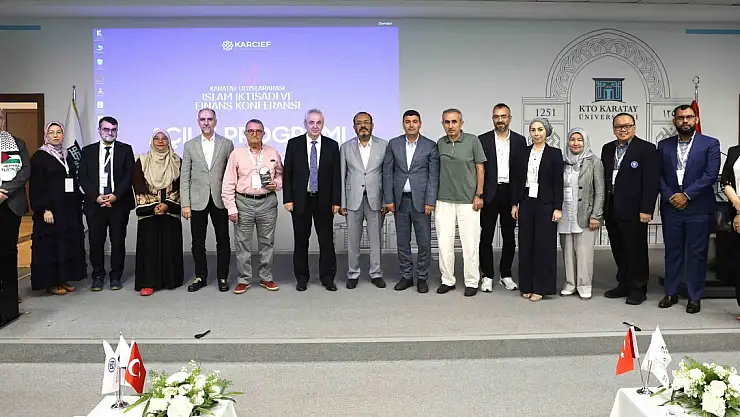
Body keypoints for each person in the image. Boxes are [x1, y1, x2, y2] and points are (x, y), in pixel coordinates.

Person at [657, 104, 720, 314]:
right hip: (671, 207)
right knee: (672, 252)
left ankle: (694, 296)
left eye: (689, 117)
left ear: (696, 119)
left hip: (698, 207)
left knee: (697, 253)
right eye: (680, 117)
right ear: (674, 121)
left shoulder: (710, 144)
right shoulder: (663, 145)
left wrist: (687, 195)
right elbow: (658, 175)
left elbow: (710, 174)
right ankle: (671, 292)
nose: (685, 121)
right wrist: (671, 195)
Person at [601, 113, 659, 305]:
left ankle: (638, 288)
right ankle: (624, 283)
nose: (623, 129)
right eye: (619, 126)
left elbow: (651, 182)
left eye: (627, 126)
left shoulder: (647, 149)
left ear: (634, 127)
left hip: (635, 210)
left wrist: (646, 209)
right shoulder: (608, 149)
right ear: (613, 129)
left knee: (636, 250)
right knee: (618, 248)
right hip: (612, 207)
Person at [221, 119, 282, 294]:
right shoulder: (237, 154)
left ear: (263, 133)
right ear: (245, 134)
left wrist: (276, 184)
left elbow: (281, 175)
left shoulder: (272, 152)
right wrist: (231, 208)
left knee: (267, 242)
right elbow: (228, 182)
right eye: (251, 131)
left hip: (267, 202)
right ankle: (244, 279)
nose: (254, 134)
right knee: (243, 243)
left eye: (258, 131)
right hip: (244, 202)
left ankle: (266, 277)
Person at [283, 109, 341, 291]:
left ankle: (327, 278)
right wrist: (288, 198)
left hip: (324, 201)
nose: (315, 126)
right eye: (311, 122)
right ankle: (302, 278)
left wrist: (336, 201)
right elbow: (287, 174)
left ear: (323, 124)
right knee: (301, 240)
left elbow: (336, 176)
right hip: (301, 200)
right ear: (305, 124)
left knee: (326, 241)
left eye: (318, 122)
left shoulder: (332, 145)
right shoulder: (294, 144)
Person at [383, 110, 439, 294]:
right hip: (400, 201)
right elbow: (387, 173)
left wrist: (430, 200)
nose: (411, 125)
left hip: (422, 202)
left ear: (420, 124)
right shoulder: (394, 144)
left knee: (424, 242)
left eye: (415, 121)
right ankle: (406, 276)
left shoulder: (430, 145)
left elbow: (433, 176)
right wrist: (389, 199)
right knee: (402, 242)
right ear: (403, 124)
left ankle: (422, 277)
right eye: (408, 121)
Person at [28, 122, 87, 295]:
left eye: (59, 132)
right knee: (50, 247)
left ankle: (63, 279)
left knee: (65, 245)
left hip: (67, 210)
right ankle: (51, 283)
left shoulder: (67, 155)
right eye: (51, 132)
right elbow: (36, 186)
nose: (55, 135)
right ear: (46, 135)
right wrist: (44, 209)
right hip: (50, 212)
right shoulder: (39, 157)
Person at [79, 116, 135, 291]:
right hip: (95, 204)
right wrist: (96, 196)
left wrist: (115, 196)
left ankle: (116, 276)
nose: (110, 133)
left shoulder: (126, 150)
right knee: (96, 241)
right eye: (106, 129)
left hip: (119, 204)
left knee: (117, 241)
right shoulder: (88, 151)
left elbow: (130, 176)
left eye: (113, 130)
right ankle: (98, 275)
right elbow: (83, 177)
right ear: (99, 130)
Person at [181, 108, 235, 293]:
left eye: (209, 119)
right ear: (198, 122)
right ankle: (200, 276)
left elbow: (231, 174)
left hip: (220, 199)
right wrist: (185, 204)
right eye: (202, 119)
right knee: (198, 242)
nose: (206, 122)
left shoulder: (226, 144)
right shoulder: (190, 145)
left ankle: (222, 277)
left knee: (223, 240)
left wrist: (232, 201)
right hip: (197, 200)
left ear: (215, 121)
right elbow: (185, 176)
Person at [435, 109, 486, 297]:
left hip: (468, 201)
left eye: (454, 122)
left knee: (470, 244)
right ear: (443, 124)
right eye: (447, 122)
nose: (450, 126)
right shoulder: (440, 143)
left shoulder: (473, 141)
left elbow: (480, 168)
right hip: (444, 200)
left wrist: (479, 194)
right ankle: (447, 280)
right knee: (444, 243)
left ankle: (472, 281)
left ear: (461, 123)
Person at [511, 117, 563, 302]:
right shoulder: (522, 152)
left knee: (544, 246)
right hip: (526, 201)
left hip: (546, 203)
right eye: (533, 130)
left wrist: (557, 207)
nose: (536, 133)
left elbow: (558, 182)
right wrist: (515, 203)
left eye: (540, 129)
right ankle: (527, 285)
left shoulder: (555, 154)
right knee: (526, 245)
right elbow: (516, 180)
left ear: (547, 132)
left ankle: (541, 288)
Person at [477, 103, 527, 292]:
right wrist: (479, 194)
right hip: (489, 194)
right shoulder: (482, 140)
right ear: (493, 119)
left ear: (510, 118)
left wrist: (518, 200)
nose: (500, 120)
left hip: (510, 194)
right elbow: (478, 169)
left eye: (503, 116)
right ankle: (487, 275)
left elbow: (521, 173)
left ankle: (505, 274)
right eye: (497, 117)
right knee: (486, 237)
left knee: (509, 237)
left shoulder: (520, 141)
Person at [132, 130, 184, 296]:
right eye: (156, 138)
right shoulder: (142, 160)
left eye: (164, 139)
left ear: (169, 142)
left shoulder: (176, 161)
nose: (160, 142)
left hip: (170, 213)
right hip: (149, 213)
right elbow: (138, 185)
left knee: (170, 247)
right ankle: (148, 283)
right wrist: (154, 205)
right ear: (152, 141)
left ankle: (170, 280)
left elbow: (181, 186)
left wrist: (167, 204)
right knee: (149, 249)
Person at [340, 112, 389, 289]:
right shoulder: (345, 147)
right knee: (353, 240)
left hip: (376, 198)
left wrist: (386, 200)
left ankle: (376, 273)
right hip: (353, 199)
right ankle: (353, 273)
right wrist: (343, 202)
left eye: (366, 122)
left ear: (372, 125)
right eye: (359, 123)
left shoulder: (384, 146)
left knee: (375, 239)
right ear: (354, 127)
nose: (363, 126)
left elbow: (387, 175)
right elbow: (342, 175)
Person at [558, 128, 604, 300]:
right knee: (567, 251)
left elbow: (600, 191)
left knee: (584, 253)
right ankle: (570, 283)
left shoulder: (594, 162)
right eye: (572, 139)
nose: (575, 143)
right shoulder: (562, 161)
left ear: (585, 142)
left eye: (579, 140)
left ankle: (584, 285)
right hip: (565, 212)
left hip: (585, 213)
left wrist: (596, 215)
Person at [0, 109, 30, 316]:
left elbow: (25, 171)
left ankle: (10, 293)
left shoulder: (17, 143)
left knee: (9, 250)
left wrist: (5, 191)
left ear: (3, 120)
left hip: (12, 204)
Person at [720, 141, 740, 321]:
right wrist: (739, 209)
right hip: (737, 213)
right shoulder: (734, 151)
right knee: (738, 261)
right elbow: (726, 182)